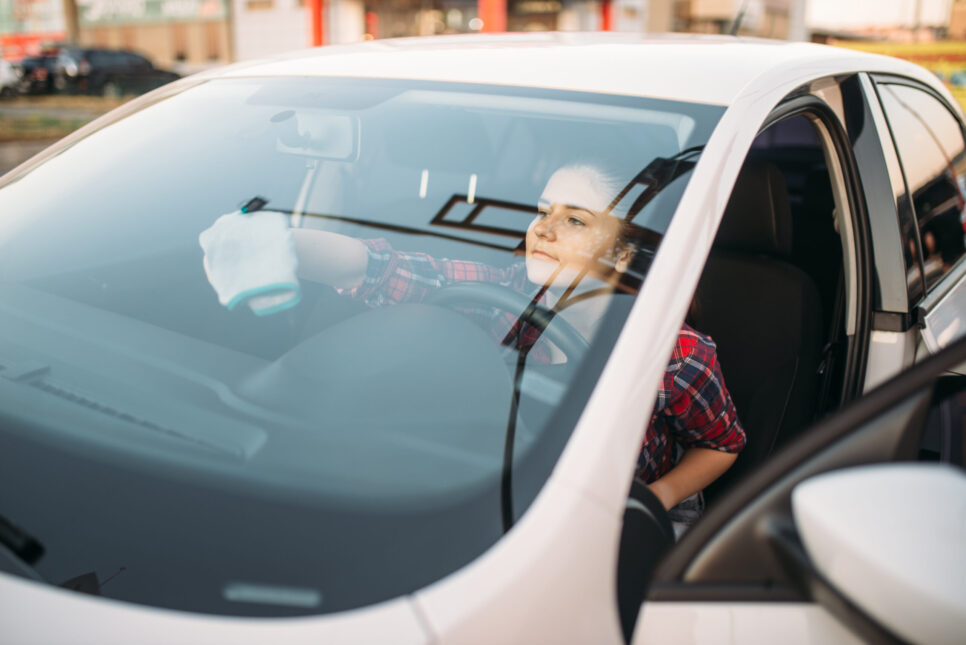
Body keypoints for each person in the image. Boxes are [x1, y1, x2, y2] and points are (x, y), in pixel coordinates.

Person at [220, 163, 746, 528]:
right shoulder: (507, 293)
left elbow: (721, 444)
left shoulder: (678, 354)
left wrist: (656, 500)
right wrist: (279, 245)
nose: (543, 228)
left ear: (626, 254)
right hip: (514, 487)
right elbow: (388, 269)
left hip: (631, 502)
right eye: (543, 211)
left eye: (575, 220)